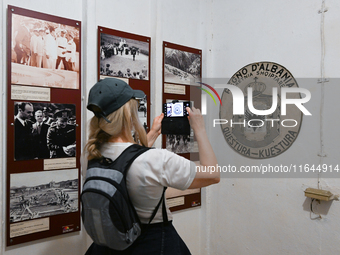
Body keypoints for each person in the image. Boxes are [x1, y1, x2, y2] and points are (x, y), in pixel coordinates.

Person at [83, 78, 219, 255]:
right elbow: (212, 174)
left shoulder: (90, 154)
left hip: (108, 245)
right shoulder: (157, 159)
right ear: (129, 115)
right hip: (151, 244)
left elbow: (126, 160)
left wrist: (153, 134)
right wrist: (200, 129)